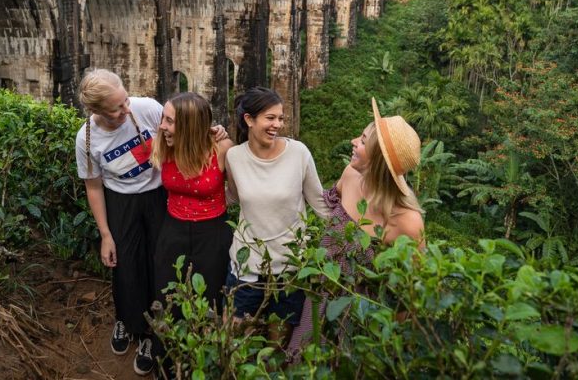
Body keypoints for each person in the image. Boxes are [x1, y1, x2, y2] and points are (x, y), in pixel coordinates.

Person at [287, 97, 425, 355]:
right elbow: (327, 211)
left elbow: (409, 295)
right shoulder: (350, 177)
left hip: (361, 315)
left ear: (379, 160)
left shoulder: (407, 220)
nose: (353, 141)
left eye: (362, 140)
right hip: (319, 297)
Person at [224, 87, 330, 348]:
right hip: (246, 261)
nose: (278, 125)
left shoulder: (299, 153)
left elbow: (319, 203)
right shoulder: (234, 157)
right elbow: (234, 198)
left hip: (290, 264)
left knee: (277, 344)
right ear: (249, 120)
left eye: (281, 118)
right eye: (270, 118)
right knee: (233, 339)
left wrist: (353, 239)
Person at [75, 69, 163, 376]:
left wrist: (214, 132)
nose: (126, 109)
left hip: (157, 196)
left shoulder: (147, 108)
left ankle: (153, 335)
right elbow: (94, 186)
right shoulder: (87, 138)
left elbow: (180, 131)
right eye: (116, 108)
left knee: (157, 264)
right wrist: (106, 234)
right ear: (96, 110)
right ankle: (127, 320)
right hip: (120, 201)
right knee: (125, 267)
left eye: (126, 100)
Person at [149, 91, 234, 369]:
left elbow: (243, 189)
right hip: (172, 230)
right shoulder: (165, 144)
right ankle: (167, 364)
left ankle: (205, 365)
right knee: (167, 297)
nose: (163, 126)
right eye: (163, 118)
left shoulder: (220, 149)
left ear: (188, 125)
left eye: (170, 121)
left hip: (212, 234)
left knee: (209, 300)